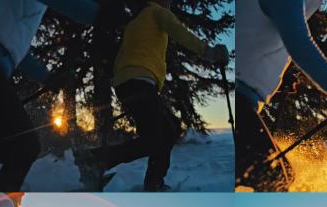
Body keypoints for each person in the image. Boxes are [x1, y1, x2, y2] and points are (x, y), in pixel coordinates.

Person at [0, 0, 127, 192]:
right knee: (25, 146)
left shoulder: (10, 17)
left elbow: (15, 49)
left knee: (17, 146)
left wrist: (46, 78)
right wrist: (100, 15)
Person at [236, 0, 327, 192]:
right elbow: (299, 42)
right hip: (240, 100)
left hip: (245, 99)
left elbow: (268, 37)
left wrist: (281, 74)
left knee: (280, 174)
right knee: (275, 178)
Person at [90, 0, 229, 192]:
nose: (169, 3)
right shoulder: (157, 12)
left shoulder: (135, 20)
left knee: (164, 131)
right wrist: (209, 52)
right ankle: (95, 161)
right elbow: (180, 32)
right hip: (139, 81)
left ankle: (151, 181)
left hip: (128, 83)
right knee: (160, 135)